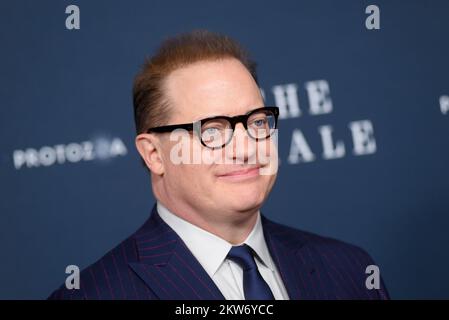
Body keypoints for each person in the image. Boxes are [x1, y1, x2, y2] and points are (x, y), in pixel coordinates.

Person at [48, 30, 389, 300]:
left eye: (256, 122)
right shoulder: (94, 295)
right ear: (154, 154)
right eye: (211, 131)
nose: (245, 148)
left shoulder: (349, 270)